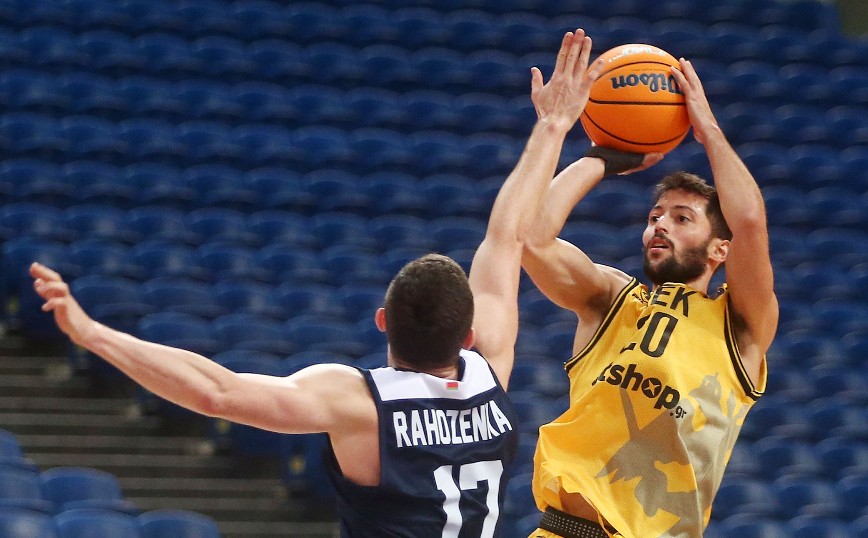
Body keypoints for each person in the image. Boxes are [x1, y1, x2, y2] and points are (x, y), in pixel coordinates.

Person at [30, 29, 612, 538]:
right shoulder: (491, 372)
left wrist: (92, 333)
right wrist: (555, 127)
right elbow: (505, 238)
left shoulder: (359, 403)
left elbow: (216, 393)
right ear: (468, 335)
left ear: (383, 319)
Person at [520, 57, 779, 537]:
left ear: (721, 250)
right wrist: (599, 159)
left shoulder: (740, 327)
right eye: (655, 215)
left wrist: (709, 132)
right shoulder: (612, 299)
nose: (659, 224)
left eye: (682, 218)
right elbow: (531, 238)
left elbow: (748, 221)